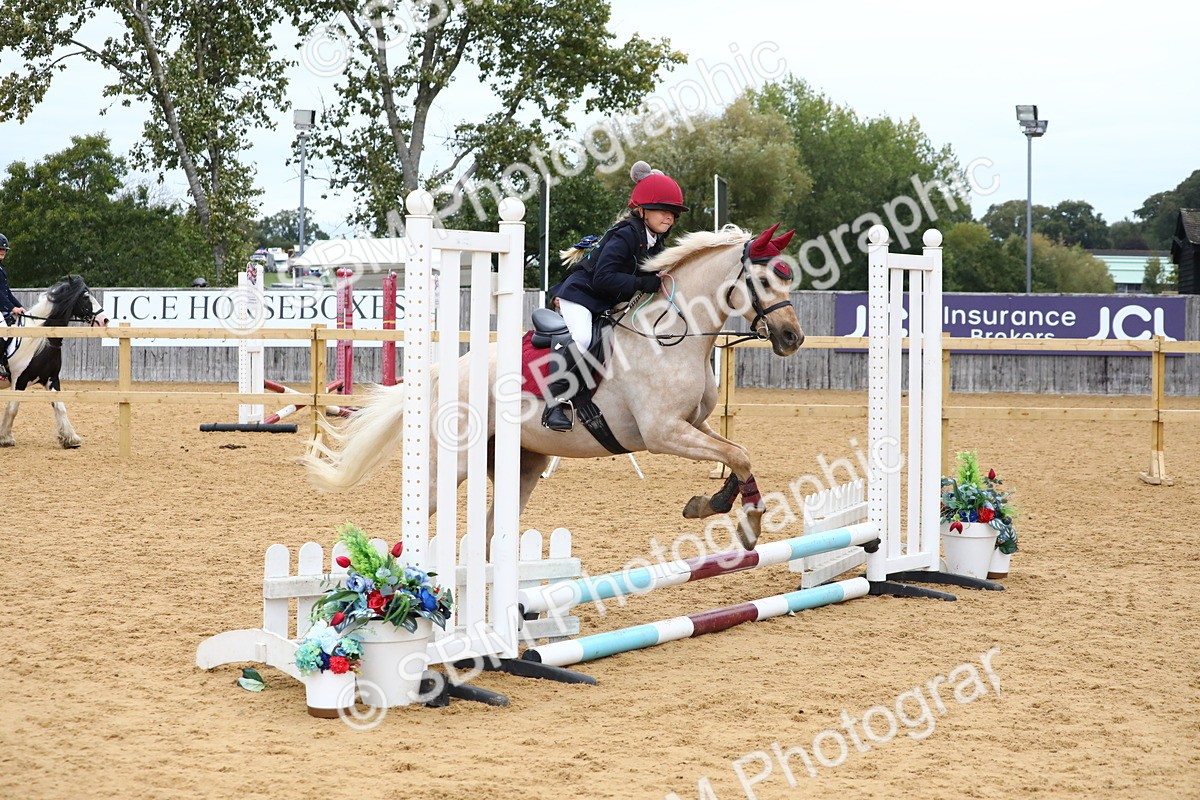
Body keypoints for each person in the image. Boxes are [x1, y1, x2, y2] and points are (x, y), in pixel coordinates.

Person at [543, 161, 688, 431]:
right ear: (642, 210)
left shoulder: (655, 241)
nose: (669, 217)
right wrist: (641, 282)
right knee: (583, 338)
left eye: (673, 213)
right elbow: (603, 278)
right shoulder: (625, 235)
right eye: (662, 211)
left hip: (605, 300)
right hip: (581, 295)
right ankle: (555, 403)